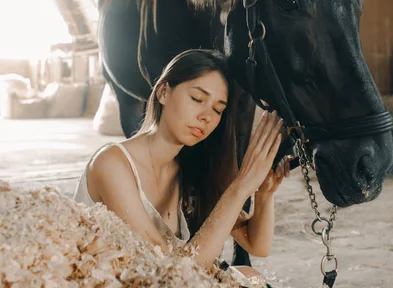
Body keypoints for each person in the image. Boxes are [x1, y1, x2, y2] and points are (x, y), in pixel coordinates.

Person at [73, 49, 291, 286]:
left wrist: (263, 194)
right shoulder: (112, 164)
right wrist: (240, 187)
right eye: (197, 99)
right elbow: (171, 276)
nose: (207, 116)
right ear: (164, 92)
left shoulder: (189, 169)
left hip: (171, 279)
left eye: (218, 109)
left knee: (251, 277)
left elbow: (257, 245)